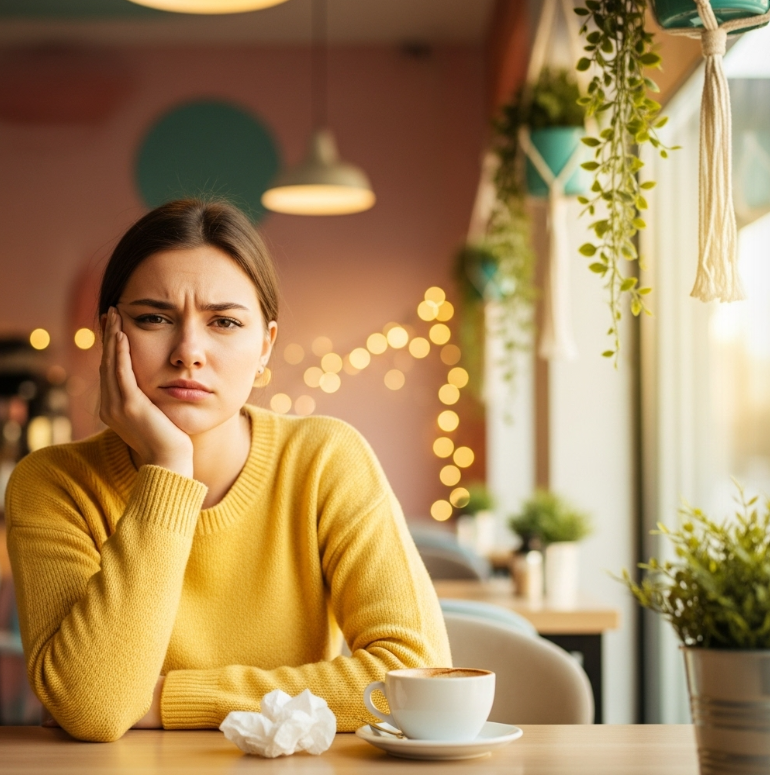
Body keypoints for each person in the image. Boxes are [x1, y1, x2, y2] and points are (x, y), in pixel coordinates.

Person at [5, 199, 451, 742]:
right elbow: (93, 707)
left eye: (224, 322)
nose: (189, 351)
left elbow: (416, 677)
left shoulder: (326, 459)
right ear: (109, 333)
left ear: (265, 346)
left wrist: (169, 698)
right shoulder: (51, 484)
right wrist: (169, 467)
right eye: (154, 318)